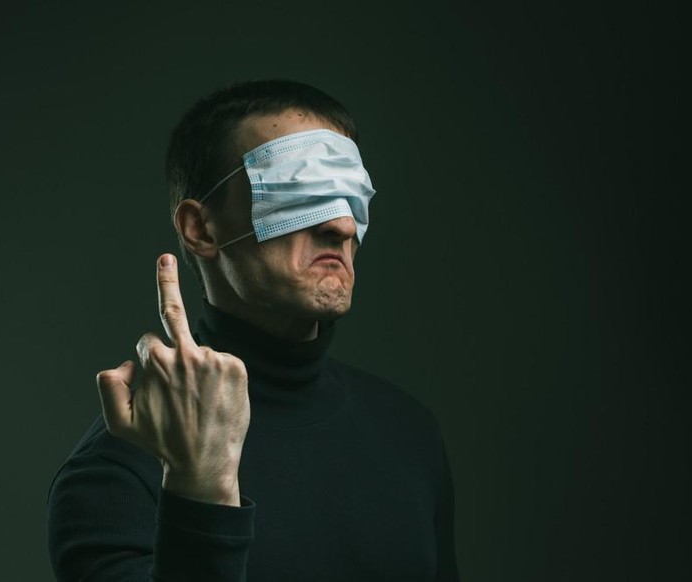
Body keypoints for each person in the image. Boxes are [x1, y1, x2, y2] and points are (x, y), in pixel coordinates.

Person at [46, 79, 460, 581]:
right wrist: (200, 487)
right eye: (301, 186)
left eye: (352, 193)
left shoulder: (408, 434)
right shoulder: (116, 472)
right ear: (201, 228)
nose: (343, 226)